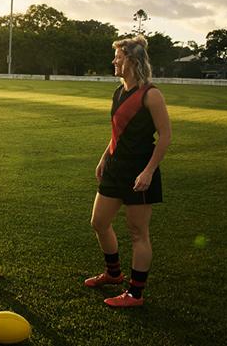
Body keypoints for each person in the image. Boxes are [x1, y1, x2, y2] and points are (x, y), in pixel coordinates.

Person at [84, 35, 171, 307]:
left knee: (138, 233)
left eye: (118, 58)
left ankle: (135, 293)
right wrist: (103, 158)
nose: (114, 61)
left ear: (132, 61)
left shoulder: (151, 94)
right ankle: (113, 274)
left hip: (139, 173)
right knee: (98, 222)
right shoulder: (119, 91)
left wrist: (148, 172)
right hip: (114, 168)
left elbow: (165, 136)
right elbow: (117, 133)